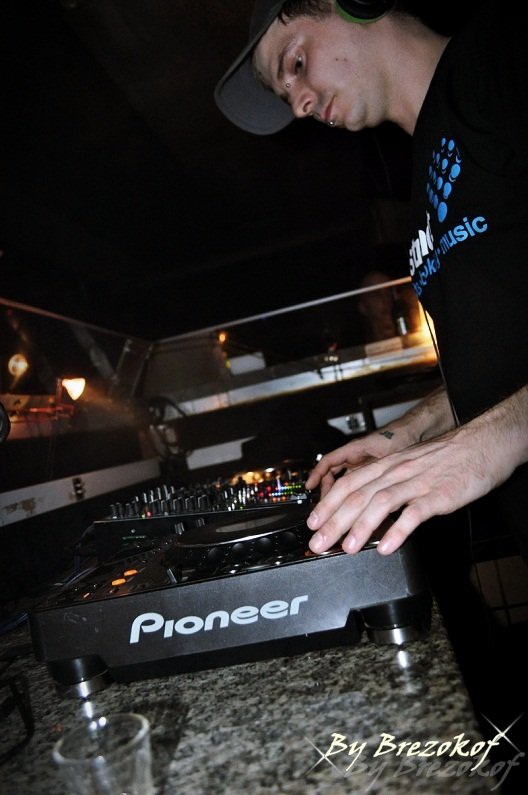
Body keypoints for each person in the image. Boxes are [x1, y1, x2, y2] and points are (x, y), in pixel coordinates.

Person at [214, 0, 528, 562]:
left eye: (296, 63)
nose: (300, 103)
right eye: (287, 95)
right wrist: (411, 430)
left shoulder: (501, 56)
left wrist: (485, 444)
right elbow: (504, 361)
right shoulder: (426, 171)